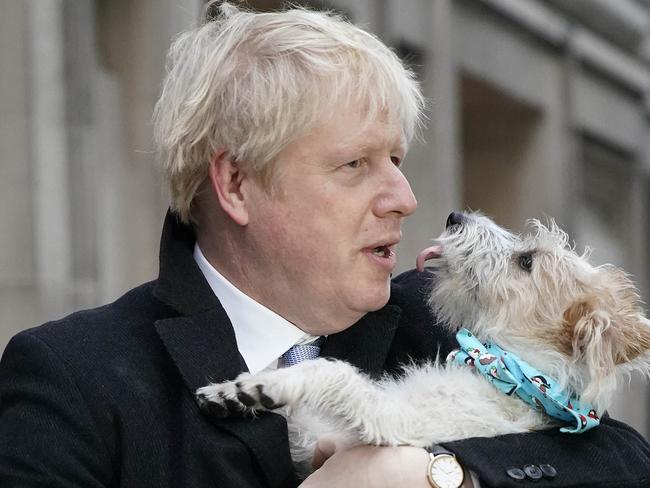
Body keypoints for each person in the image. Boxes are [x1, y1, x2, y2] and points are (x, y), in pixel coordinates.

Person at [1, 3, 649, 487]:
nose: (404, 196)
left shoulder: (437, 321)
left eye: (396, 158)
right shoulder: (70, 378)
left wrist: (434, 474)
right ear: (235, 183)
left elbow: (624, 460)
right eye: (355, 165)